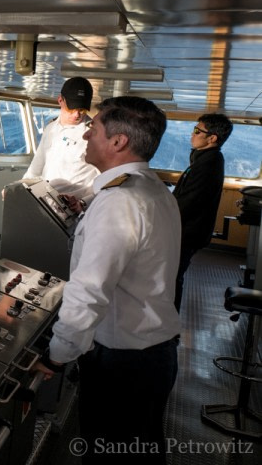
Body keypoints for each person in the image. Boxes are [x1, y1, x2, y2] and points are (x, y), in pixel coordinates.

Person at [32, 96, 180, 465]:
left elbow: (90, 291)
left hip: (123, 362)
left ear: (118, 142)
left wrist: (56, 357)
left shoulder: (120, 202)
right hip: (151, 352)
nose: (85, 138)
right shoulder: (150, 189)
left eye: (93, 130)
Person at [172, 113, 232, 312]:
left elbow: (189, 202)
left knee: (172, 278)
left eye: (198, 131)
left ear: (212, 138)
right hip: (187, 231)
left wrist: (163, 218)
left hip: (187, 233)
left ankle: (168, 331)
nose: (193, 134)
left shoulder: (209, 163)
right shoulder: (204, 158)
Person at [22, 76, 99, 200]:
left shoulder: (94, 134)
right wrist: (18, 188)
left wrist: (84, 203)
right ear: (60, 100)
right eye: (71, 108)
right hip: (46, 202)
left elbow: (104, 179)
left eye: (82, 109)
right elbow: (35, 168)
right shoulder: (50, 129)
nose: (77, 115)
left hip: (75, 209)